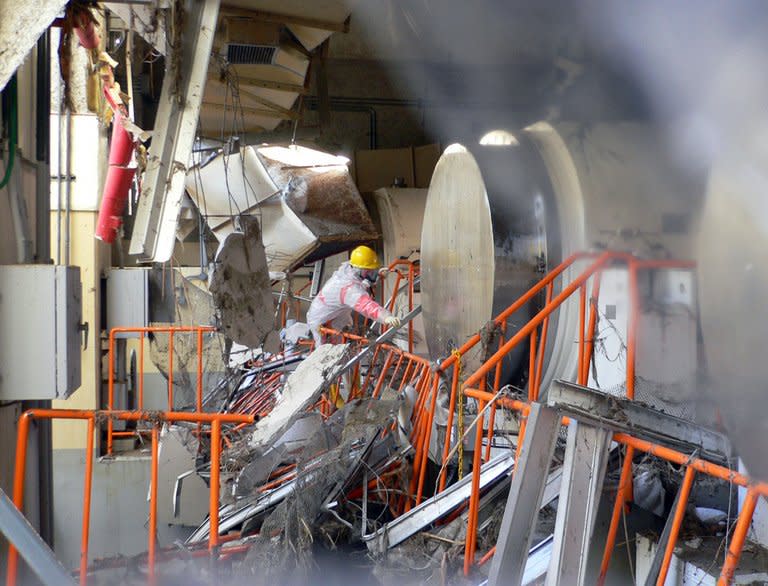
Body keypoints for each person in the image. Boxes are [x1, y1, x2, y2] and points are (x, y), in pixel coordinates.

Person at [307, 245, 402, 346]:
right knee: (328, 353)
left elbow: (360, 284)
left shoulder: (348, 271)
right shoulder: (346, 287)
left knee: (342, 348)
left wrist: (377, 275)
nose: (370, 273)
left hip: (335, 316)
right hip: (324, 322)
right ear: (358, 269)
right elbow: (365, 305)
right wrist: (386, 317)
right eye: (368, 270)